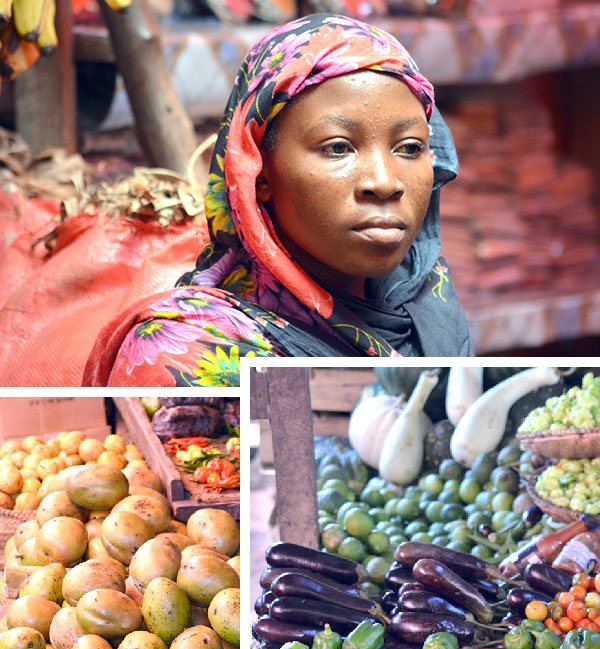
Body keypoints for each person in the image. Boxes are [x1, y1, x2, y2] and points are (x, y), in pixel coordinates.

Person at [83, 13, 472, 387]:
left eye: (409, 148)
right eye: (338, 148)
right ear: (259, 173)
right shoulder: (184, 356)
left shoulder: (426, 301)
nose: (385, 182)